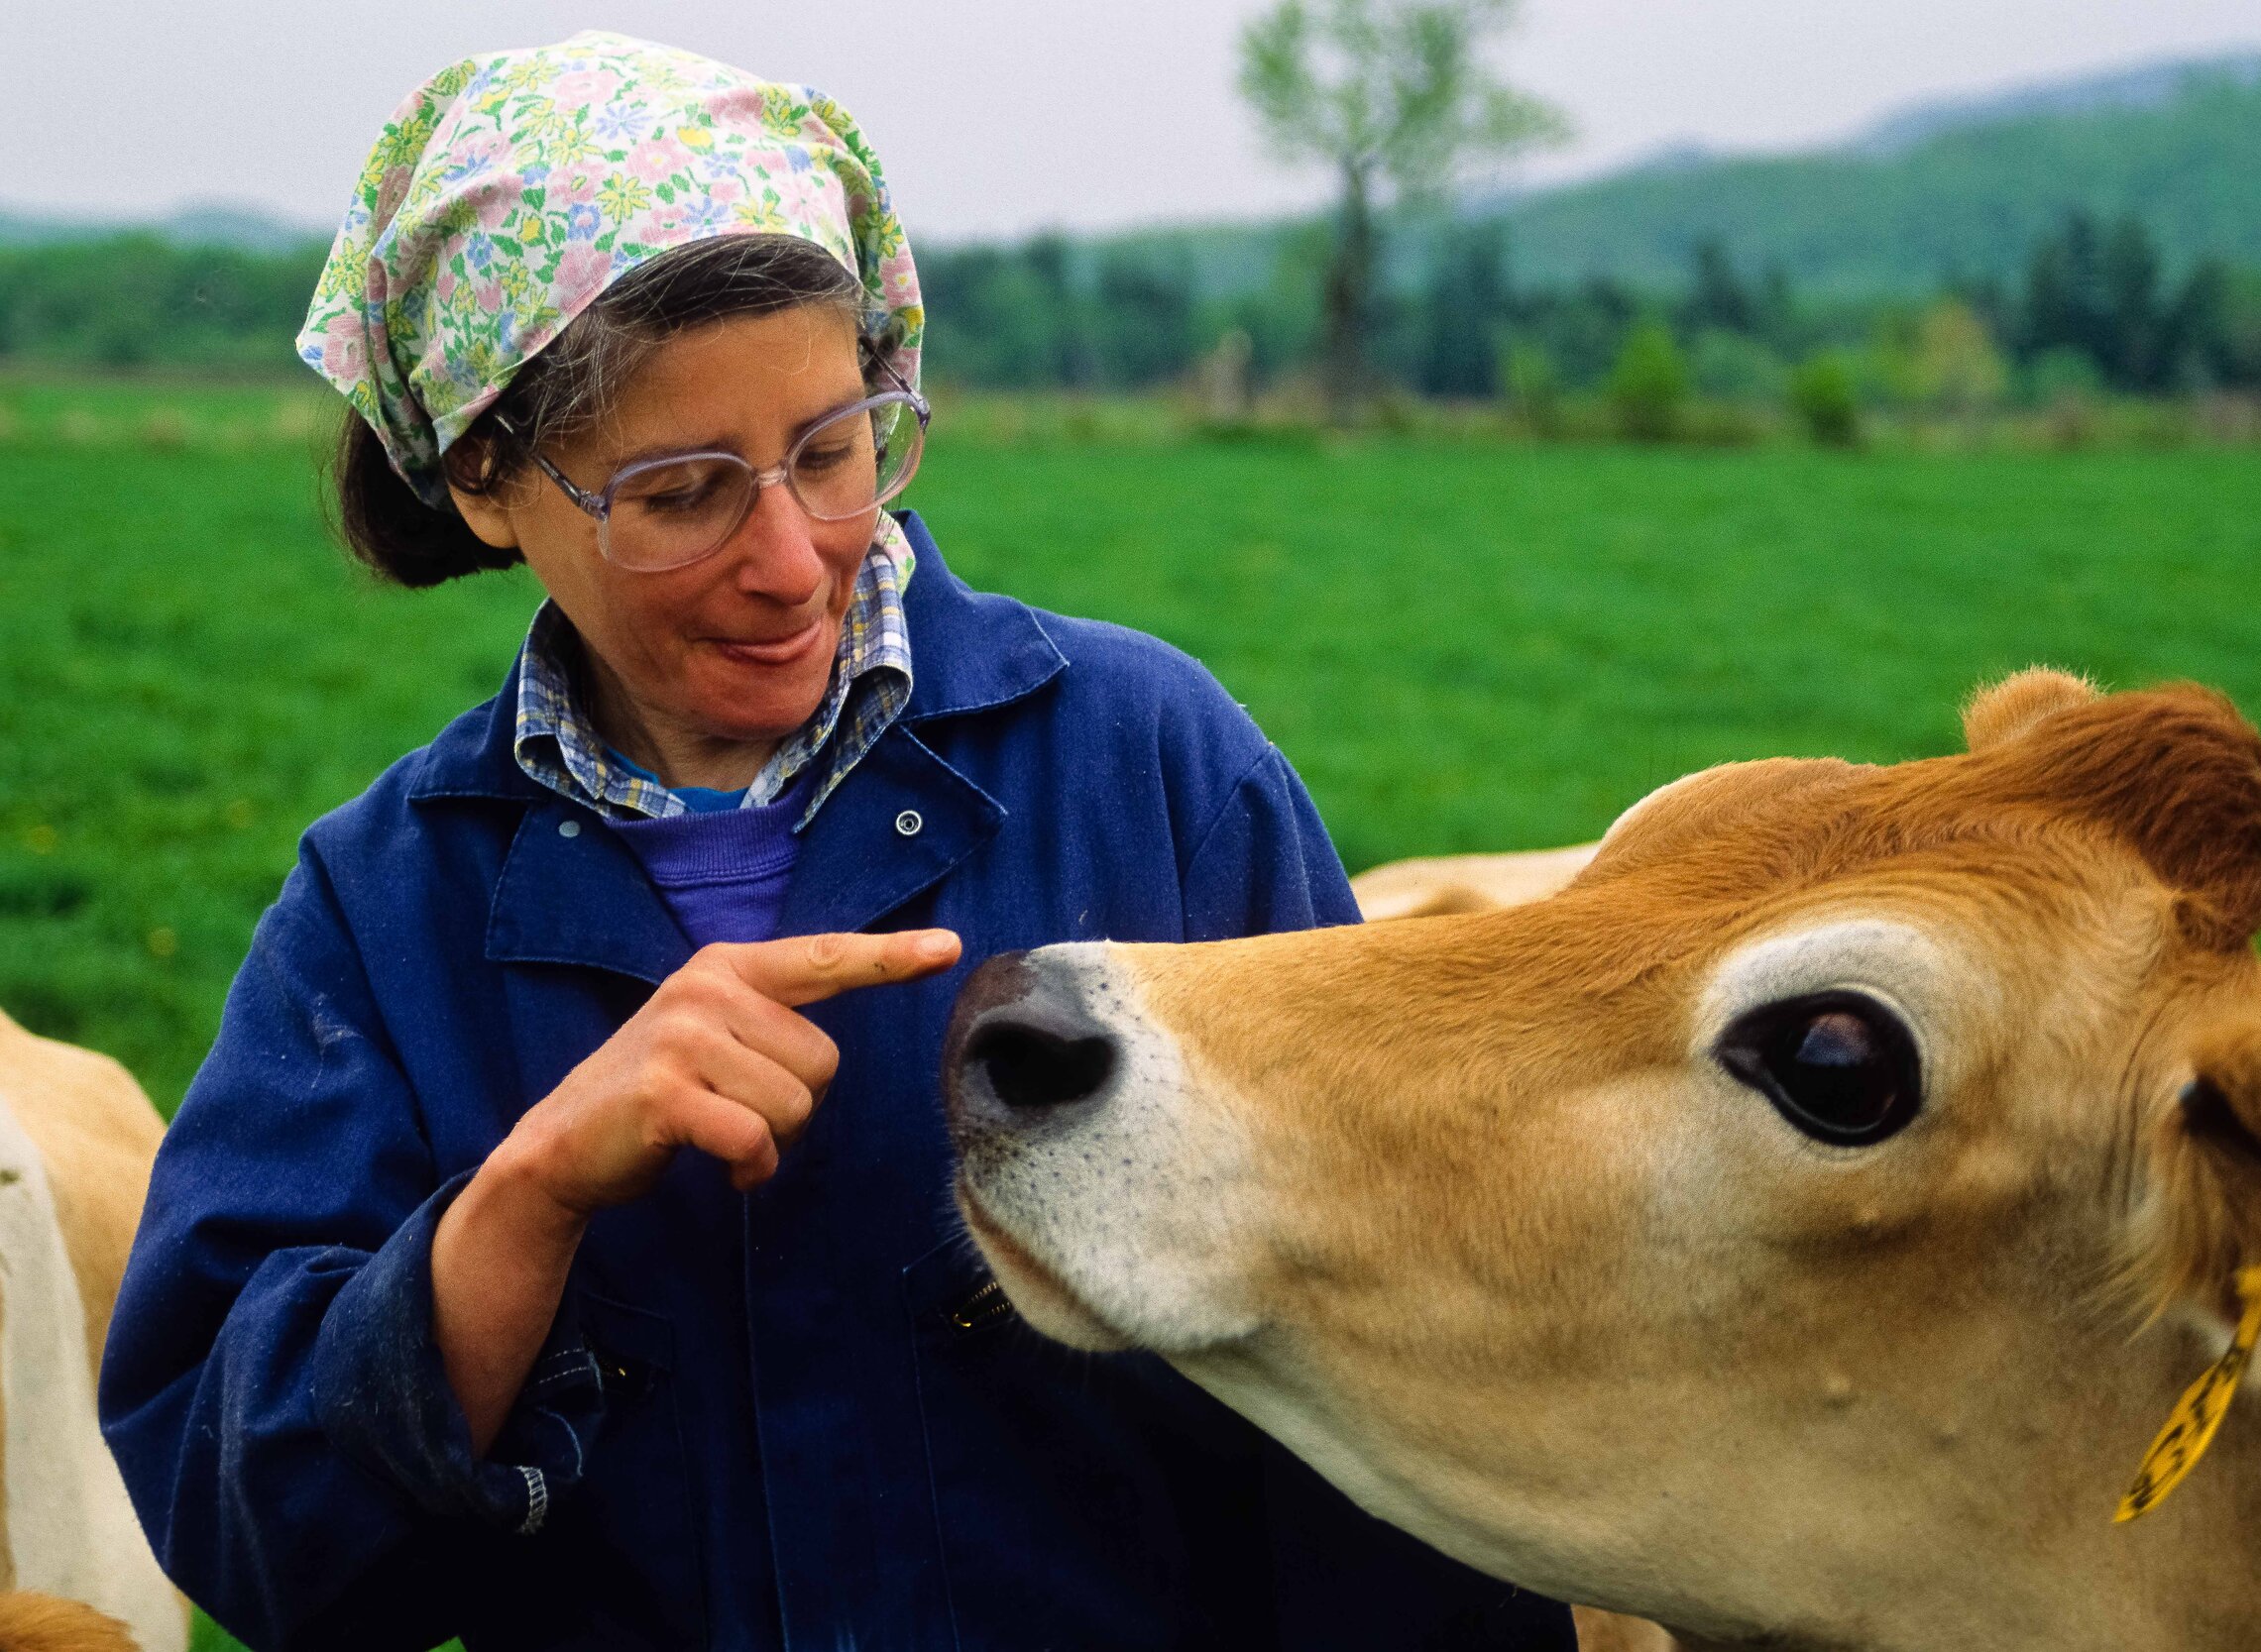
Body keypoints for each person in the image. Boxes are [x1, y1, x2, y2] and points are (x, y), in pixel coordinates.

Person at [95, 32, 1575, 1652]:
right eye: (681, 493)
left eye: (831, 448)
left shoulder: (1154, 773)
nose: (793, 561)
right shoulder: (385, 914)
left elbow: (1408, 1399)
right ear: (489, 478)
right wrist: (524, 1200)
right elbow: (248, 1536)